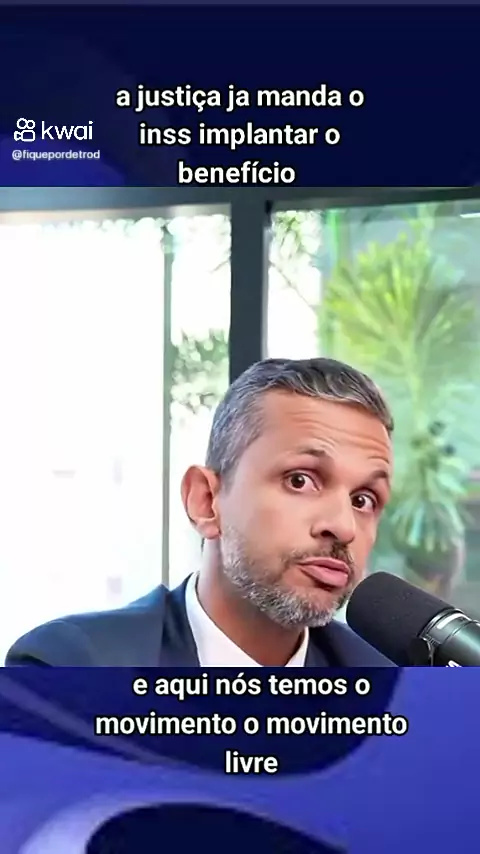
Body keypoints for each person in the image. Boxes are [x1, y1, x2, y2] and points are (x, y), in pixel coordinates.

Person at [5, 357, 395, 667]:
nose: (343, 526)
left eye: (363, 499)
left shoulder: (390, 692)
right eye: (300, 480)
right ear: (206, 501)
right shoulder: (72, 667)